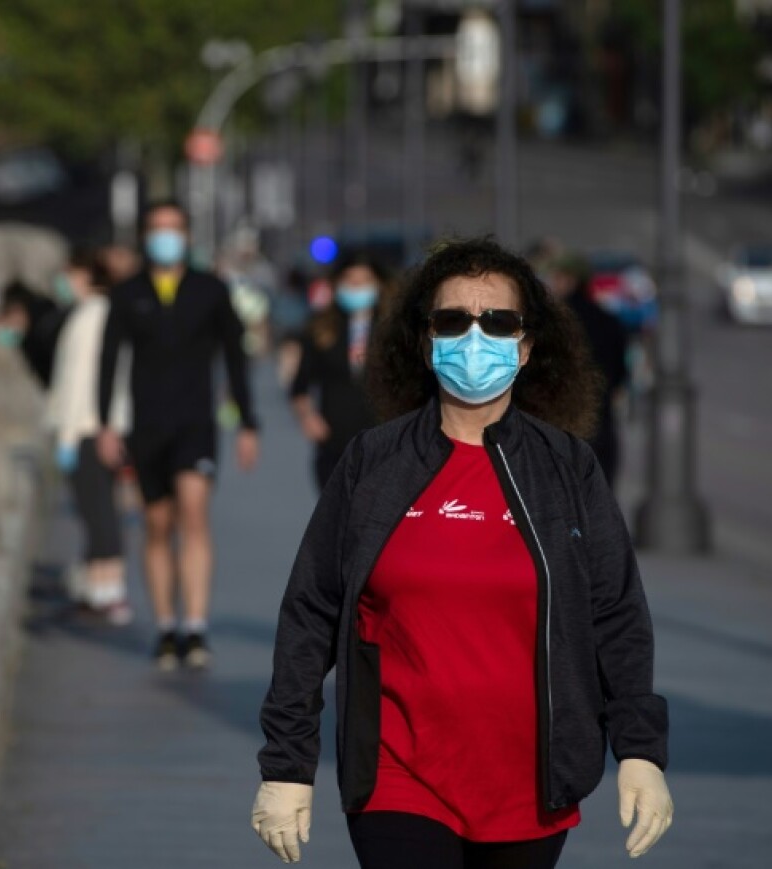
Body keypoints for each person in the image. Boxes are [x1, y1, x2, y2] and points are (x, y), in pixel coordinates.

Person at [251, 238, 673, 868]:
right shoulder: (375, 461)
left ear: (526, 347)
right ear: (425, 340)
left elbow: (615, 614)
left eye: (499, 322)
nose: (476, 337)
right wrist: (287, 764)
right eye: (453, 320)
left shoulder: (566, 469)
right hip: (398, 777)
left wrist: (640, 751)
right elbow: (311, 609)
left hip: (530, 785)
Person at [96, 200, 260, 671]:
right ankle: (166, 626)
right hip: (146, 427)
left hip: (196, 425)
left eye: (173, 229)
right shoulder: (127, 294)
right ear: (145, 236)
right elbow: (109, 361)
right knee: (157, 524)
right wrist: (105, 423)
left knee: (194, 514)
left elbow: (235, 357)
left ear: (187, 236)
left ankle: (195, 626)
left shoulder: (210, 289)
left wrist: (248, 422)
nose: (164, 237)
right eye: (156, 229)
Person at [44, 248, 132, 624]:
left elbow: (81, 384)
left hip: (85, 429)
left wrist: (66, 437)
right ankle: (97, 588)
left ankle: (109, 592)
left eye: (69, 273)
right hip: (96, 428)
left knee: (99, 512)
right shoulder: (96, 313)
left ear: (84, 273)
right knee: (97, 510)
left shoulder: (91, 316)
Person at [290, 251, 390, 491]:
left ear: (378, 285)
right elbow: (300, 385)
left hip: (383, 441)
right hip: (334, 442)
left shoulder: (394, 329)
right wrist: (308, 417)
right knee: (337, 521)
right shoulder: (322, 328)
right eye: (350, 281)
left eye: (364, 281)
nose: (357, 287)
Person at [545, 251, 629, 487]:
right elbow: (622, 372)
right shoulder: (609, 320)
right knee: (600, 500)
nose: (553, 284)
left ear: (569, 280)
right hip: (601, 423)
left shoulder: (554, 322)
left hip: (561, 425)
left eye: (557, 278)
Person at [0, 280, 68, 388]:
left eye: (4, 322)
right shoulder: (30, 339)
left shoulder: (49, 328)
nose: (3, 329)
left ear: (16, 310)